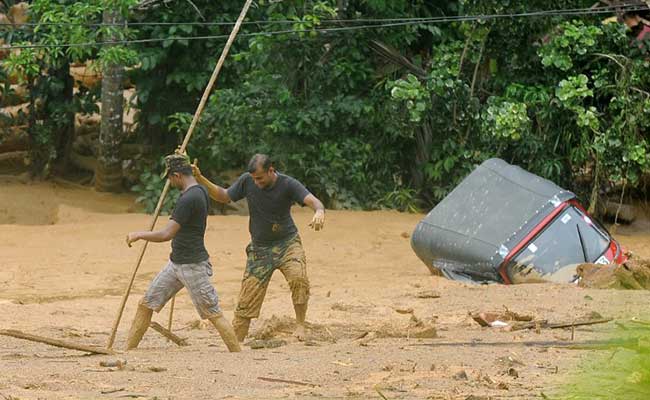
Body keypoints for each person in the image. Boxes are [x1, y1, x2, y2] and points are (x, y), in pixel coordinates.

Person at [193, 154, 325, 341]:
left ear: (271, 171)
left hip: (288, 243)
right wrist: (200, 178)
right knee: (247, 299)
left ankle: (300, 325)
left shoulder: (288, 184)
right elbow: (223, 196)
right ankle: (237, 339)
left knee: (299, 278)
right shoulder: (248, 181)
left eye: (260, 178)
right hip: (260, 248)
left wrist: (319, 211)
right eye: (254, 178)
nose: (256, 182)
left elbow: (314, 201)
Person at [124, 153, 240, 352]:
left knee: (213, 312)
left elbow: (166, 234)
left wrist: (139, 234)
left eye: (170, 178)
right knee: (146, 304)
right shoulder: (200, 190)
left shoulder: (190, 198)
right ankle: (128, 349)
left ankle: (237, 352)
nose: (169, 182)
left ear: (177, 175)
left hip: (192, 265)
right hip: (176, 263)